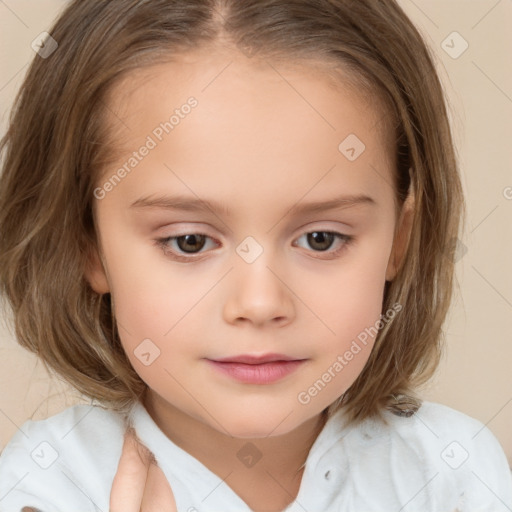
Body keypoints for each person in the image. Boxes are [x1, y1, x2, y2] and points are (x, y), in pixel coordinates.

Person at [0, 0, 510, 511]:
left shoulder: (453, 474)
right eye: (190, 242)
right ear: (88, 246)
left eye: (321, 239)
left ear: (399, 241)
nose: (261, 302)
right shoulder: (44, 486)